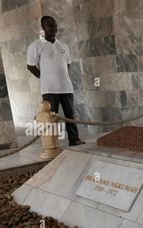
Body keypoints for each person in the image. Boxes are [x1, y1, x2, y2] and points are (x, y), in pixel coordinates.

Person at [27, 16, 85, 146]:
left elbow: (67, 64)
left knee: (70, 115)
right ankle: (52, 143)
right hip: (49, 89)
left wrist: (63, 77)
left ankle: (74, 139)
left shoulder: (63, 45)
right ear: (43, 27)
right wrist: (44, 77)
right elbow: (30, 66)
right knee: (51, 117)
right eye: (50, 26)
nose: (53, 28)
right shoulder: (35, 46)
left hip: (66, 87)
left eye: (55, 25)